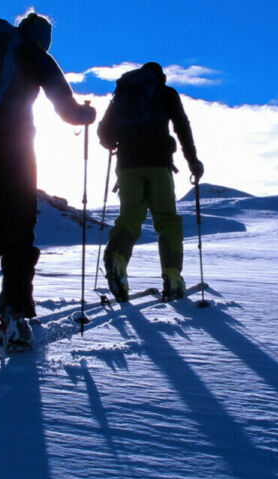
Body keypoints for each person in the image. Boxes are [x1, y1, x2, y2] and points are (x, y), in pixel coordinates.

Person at [0, 12, 96, 349]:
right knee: (19, 229)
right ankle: (15, 315)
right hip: (13, 148)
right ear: (42, 37)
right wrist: (87, 114)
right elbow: (67, 108)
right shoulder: (34, 54)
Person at [97, 62, 204, 303]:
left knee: (130, 218)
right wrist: (192, 160)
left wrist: (115, 143)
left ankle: (117, 259)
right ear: (160, 77)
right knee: (166, 220)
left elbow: (104, 133)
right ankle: (173, 276)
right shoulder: (165, 93)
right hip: (158, 164)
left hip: (127, 166)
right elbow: (182, 127)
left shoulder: (121, 95)